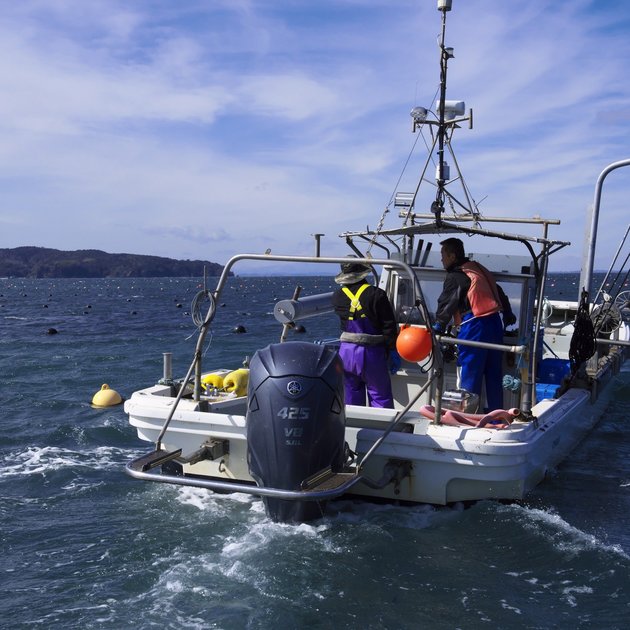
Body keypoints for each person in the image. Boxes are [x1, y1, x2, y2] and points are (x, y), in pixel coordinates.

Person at [434, 237, 516, 411]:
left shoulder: (456, 276)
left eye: (443, 255)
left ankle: (467, 418)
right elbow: (499, 293)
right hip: (495, 324)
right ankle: (495, 417)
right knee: (493, 374)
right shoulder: (478, 270)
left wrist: (438, 327)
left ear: (453, 256)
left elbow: (448, 303)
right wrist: (508, 314)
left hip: (474, 326)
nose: (441, 259)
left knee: (469, 373)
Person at [332, 261, 398, 408]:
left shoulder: (337, 296)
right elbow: (389, 326)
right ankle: (382, 429)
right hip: (372, 354)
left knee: (350, 399)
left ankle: (353, 429)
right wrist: (392, 349)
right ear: (363, 273)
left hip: (346, 353)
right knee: (380, 396)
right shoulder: (377, 294)